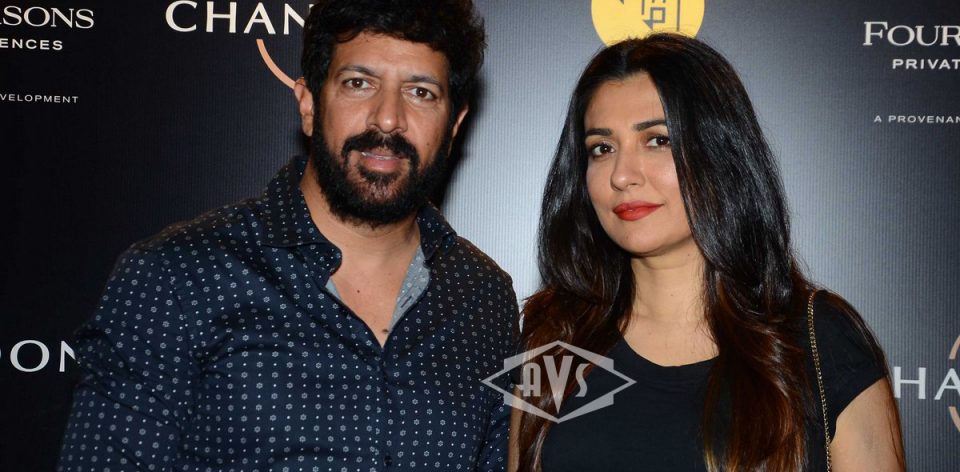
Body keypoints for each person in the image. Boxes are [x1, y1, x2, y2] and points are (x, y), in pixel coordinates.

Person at [58, 1, 519, 470]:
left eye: (420, 92)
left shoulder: (484, 297)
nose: (387, 119)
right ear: (309, 104)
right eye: (358, 83)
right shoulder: (177, 278)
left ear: (454, 124)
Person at [509, 34, 904, 472]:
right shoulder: (555, 337)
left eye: (657, 140)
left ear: (719, 153)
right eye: (602, 148)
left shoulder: (818, 338)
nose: (622, 175)